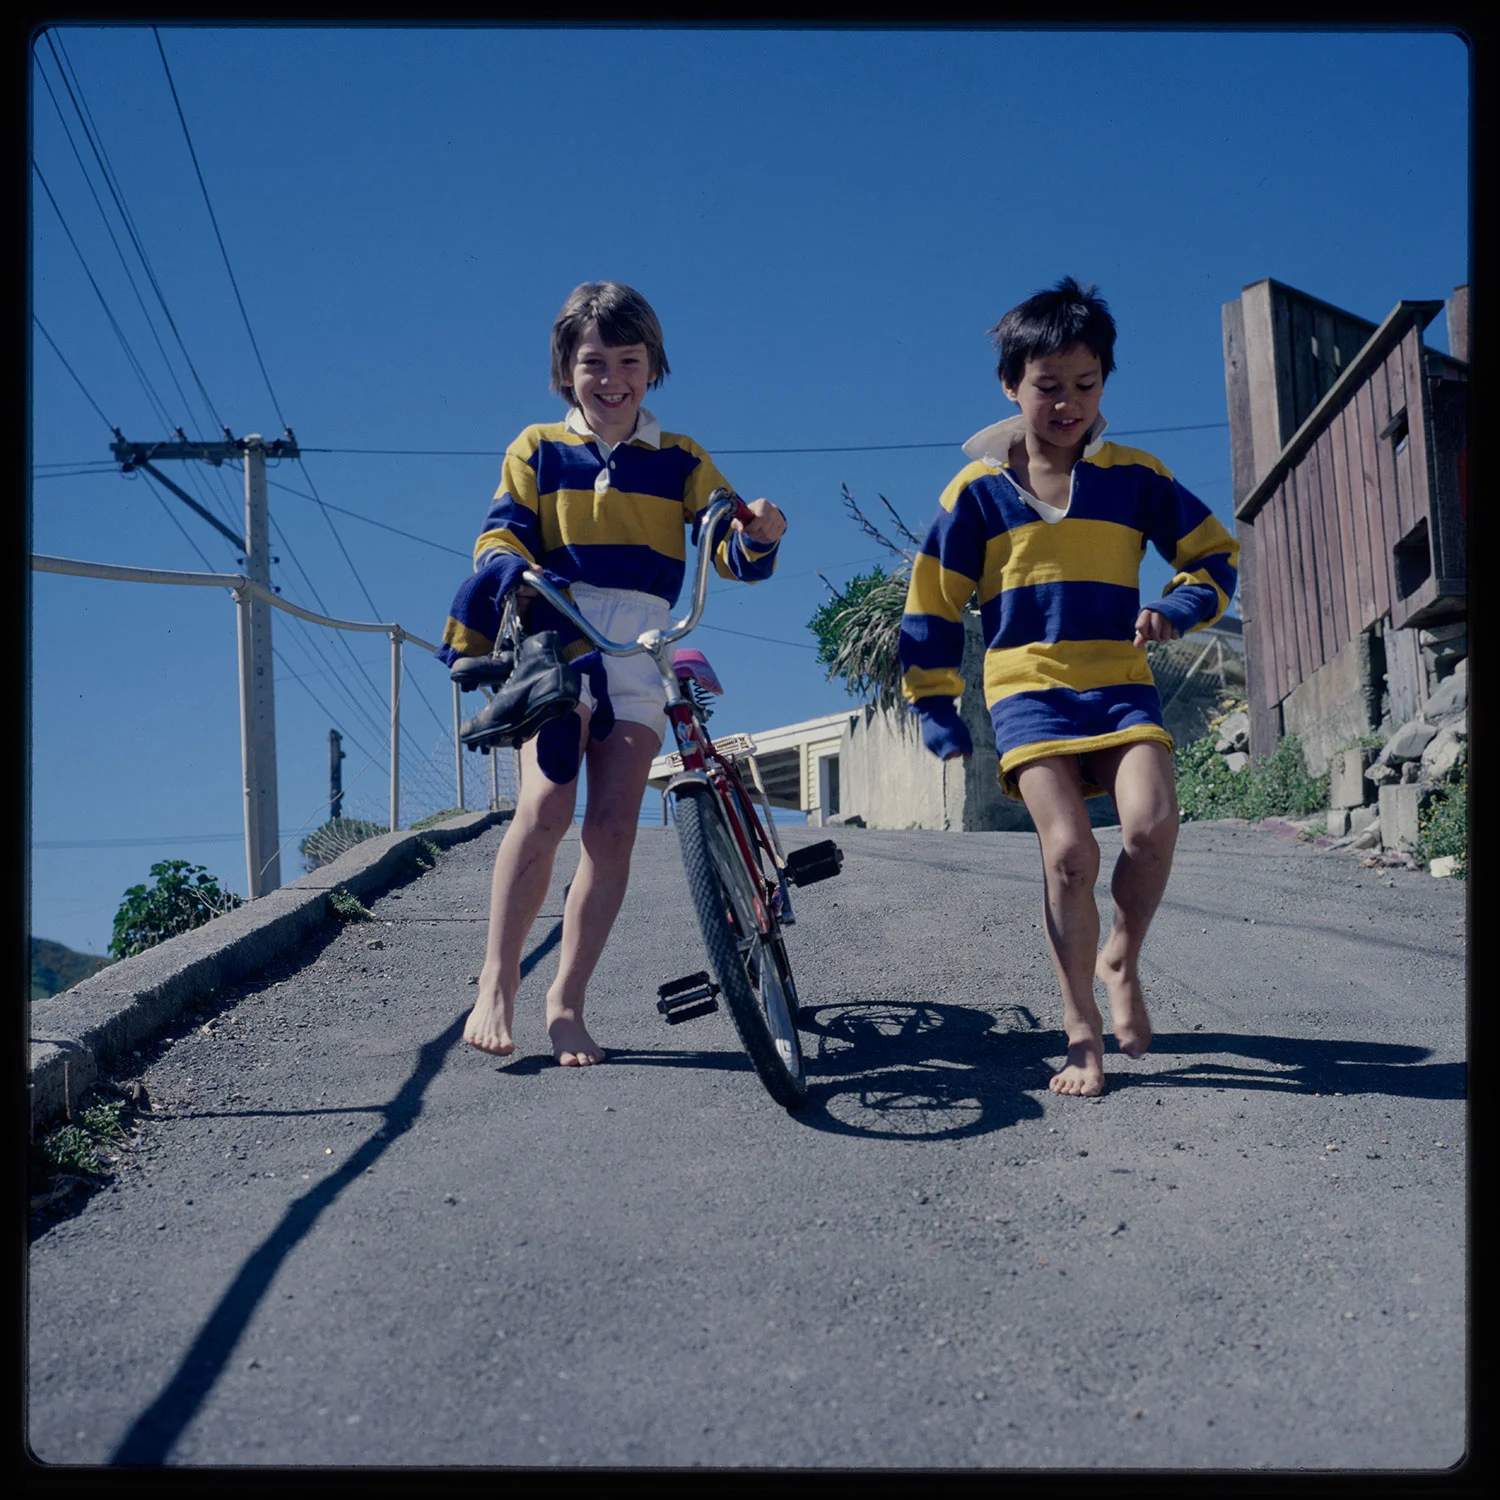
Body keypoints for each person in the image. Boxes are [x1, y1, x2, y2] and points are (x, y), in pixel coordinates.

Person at [898, 277, 1239, 1097]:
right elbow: (932, 600)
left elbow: (1214, 557)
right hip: (1028, 691)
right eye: (1048, 387)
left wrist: (1176, 609)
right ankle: (1079, 1028)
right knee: (1071, 853)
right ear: (1011, 386)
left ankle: (1122, 955)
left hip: (1120, 685)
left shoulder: (1136, 477)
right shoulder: (975, 492)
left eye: (1085, 386)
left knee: (1153, 830)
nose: (1067, 404)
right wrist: (935, 702)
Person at [439, 281, 787, 1065]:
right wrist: (505, 570)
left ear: (653, 366)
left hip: (646, 647)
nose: (612, 379)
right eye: (593, 362)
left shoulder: (681, 458)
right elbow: (501, 533)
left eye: (629, 361)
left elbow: (726, 546)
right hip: (559, 642)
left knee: (615, 826)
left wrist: (758, 531)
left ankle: (567, 1002)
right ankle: (497, 982)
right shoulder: (537, 447)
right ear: (566, 369)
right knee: (546, 805)